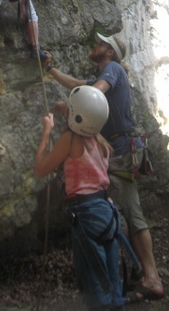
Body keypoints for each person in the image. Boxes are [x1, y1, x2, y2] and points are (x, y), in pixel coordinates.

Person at [43, 33, 164, 301]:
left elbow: (92, 94)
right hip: (117, 149)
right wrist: (50, 69)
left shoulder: (113, 69)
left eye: (100, 44)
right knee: (119, 212)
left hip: (120, 150)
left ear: (110, 52)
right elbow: (76, 84)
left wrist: (68, 106)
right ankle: (135, 271)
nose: (94, 45)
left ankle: (151, 277)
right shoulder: (106, 73)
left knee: (130, 212)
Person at [35, 85, 127, 310]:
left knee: (94, 279)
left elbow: (41, 169)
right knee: (111, 274)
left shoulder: (70, 139)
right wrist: (64, 107)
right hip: (107, 212)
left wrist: (46, 132)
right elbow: (83, 112)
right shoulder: (100, 141)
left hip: (86, 215)